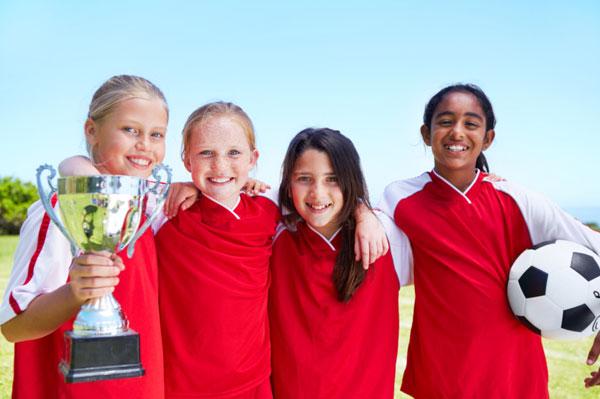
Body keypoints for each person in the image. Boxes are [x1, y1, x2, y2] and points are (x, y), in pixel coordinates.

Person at [378, 83, 600, 398]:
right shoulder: (399, 197)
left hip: (515, 377)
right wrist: (362, 215)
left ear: (488, 138)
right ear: (426, 133)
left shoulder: (517, 199)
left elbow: (594, 245)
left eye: (470, 123)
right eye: (445, 121)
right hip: (441, 377)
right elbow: (371, 233)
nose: (457, 132)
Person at [153, 102, 387, 399]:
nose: (220, 165)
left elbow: (320, 198)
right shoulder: (165, 212)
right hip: (183, 386)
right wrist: (184, 187)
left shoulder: (268, 207)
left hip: (254, 384)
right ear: (187, 160)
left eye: (233, 153)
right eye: (206, 153)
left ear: (253, 158)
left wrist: (363, 211)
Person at [0, 75, 168, 399]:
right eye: (130, 130)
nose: (145, 144)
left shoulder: (152, 206)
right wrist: (76, 292)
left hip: (142, 388)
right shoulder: (59, 209)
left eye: (156, 134)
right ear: (91, 130)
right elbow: (13, 327)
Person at [269, 128, 412, 399]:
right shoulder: (274, 232)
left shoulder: (387, 236)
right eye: (304, 179)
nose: (317, 193)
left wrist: (364, 211)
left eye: (332, 179)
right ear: (288, 182)